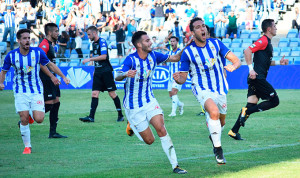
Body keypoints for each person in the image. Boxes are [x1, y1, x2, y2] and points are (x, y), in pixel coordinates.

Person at [115, 31, 188, 174]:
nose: (151, 43)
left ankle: (175, 165)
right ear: (138, 44)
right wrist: (125, 74)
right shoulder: (130, 60)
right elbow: (117, 76)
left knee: (161, 128)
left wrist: (189, 46)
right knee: (150, 140)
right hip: (133, 106)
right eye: (147, 41)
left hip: (149, 100)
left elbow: (175, 57)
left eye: (150, 40)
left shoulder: (154, 55)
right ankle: (131, 124)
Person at [173, 17, 241, 164]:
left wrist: (233, 66)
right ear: (192, 32)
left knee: (221, 123)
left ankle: (213, 135)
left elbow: (236, 60)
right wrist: (178, 79)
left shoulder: (216, 43)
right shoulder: (187, 52)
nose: (202, 29)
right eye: (198, 27)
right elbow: (183, 78)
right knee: (214, 113)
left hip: (221, 88)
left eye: (203, 26)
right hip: (201, 88)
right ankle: (218, 149)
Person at [0, 29, 70, 154]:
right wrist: (1, 82)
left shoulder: (37, 52)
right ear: (19, 40)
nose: (27, 41)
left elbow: (51, 65)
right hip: (20, 90)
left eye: (29, 38)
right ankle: (27, 146)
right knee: (23, 118)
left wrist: (62, 76)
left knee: (39, 119)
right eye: (24, 38)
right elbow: (3, 71)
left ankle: (32, 116)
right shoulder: (11, 55)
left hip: (36, 90)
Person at [228, 19, 289, 140]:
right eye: (274, 26)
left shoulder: (268, 43)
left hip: (255, 78)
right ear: (269, 29)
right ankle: (247, 112)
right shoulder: (263, 40)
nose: (276, 28)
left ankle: (233, 131)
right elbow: (247, 50)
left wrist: (279, 63)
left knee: (251, 104)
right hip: (257, 78)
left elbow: (265, 62)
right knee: (274, 101)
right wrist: (251, 69)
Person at [79, 26, 124, 123]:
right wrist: (95, 68)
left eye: (89, 34)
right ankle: (91, 117)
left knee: (112, 94)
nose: (88, 36)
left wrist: (89, 59)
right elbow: (97, 57)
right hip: (98, 72)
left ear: (95, 33)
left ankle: (120, 115)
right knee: (94, 94)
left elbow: (104, 56)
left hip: (106, 71)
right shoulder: (93, 43)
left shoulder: (102, 42)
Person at [39, 23, 68, 138]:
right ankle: (28, 117)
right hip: (46, 78)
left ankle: (53, 132)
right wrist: (51, 76)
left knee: (56, 102)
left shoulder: (52, 44)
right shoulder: (44, 45)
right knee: (49, 104)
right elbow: (42, 64)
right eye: (56, 31)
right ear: (50, 33)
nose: (58, 33)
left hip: (52, 78)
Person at [166, 36, 184, 117]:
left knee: (173, 92)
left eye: (174, 41)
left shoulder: (181, 52)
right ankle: (180, 104)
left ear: (177, 42)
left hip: (178, 77)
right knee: (171, 95)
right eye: (171, 41)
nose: (172, 43)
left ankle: (173, 112)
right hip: (170, 77)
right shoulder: (169, 53)